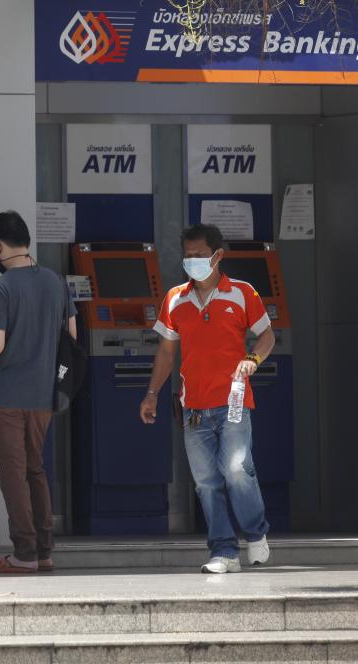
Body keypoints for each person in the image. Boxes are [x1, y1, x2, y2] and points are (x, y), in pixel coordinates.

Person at [139, 223, 276, 574]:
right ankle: (224, 552)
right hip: (193, 407)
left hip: (232, 399)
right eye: (187, 256)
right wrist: (152, 394)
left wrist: (253, 360)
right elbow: (167, 352)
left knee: (235, 469)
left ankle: (256, 532)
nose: (192, 262)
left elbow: (267, 337)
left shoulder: (243, 293)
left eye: (199, 255)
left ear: (218, 256)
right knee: (205, 482)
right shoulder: (175, 298)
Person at [0, 210, 77, 575]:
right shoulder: (56, 282)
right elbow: (71, 337)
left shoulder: (0, 288)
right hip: (43, 396)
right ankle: (44, 550)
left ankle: (24, 553)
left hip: (5, 398)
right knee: (35, 471)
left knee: (13, 474)